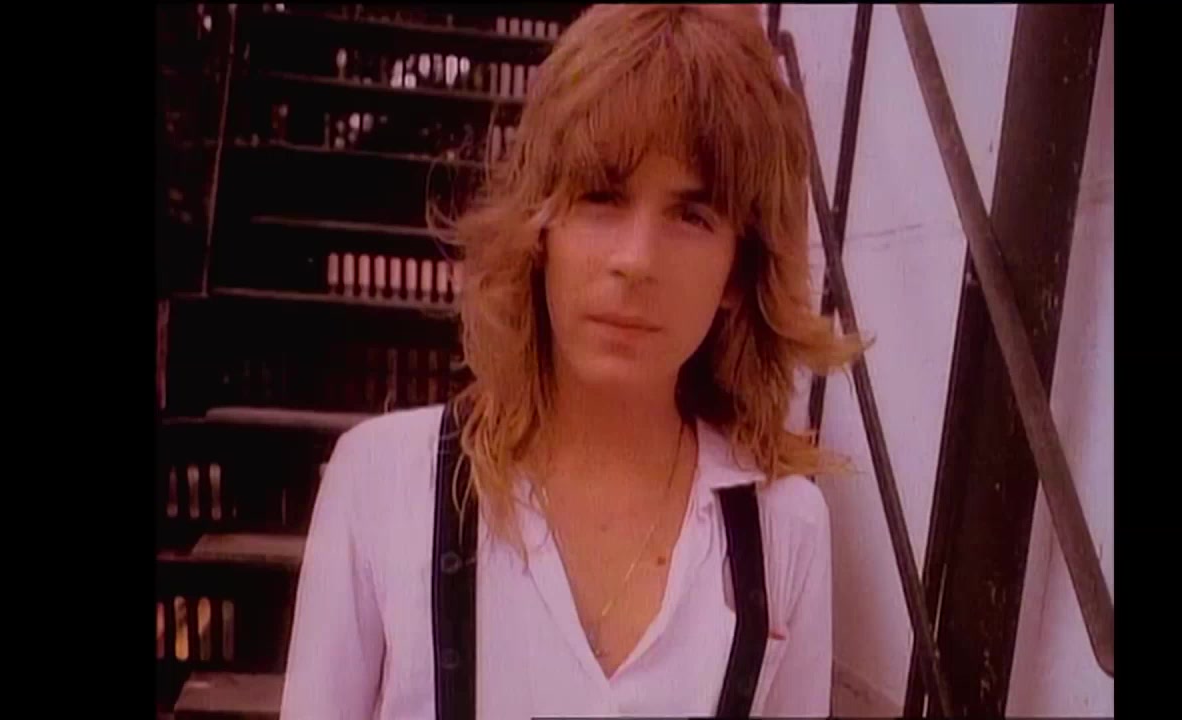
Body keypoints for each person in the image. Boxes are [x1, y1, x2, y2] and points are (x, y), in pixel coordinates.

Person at [281, 4, 862, 718]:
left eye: (691, 215)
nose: (635, 260)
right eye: (601, 197)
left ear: (738, 273)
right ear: (539, 229)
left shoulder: (786, 529)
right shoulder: (384, 484)